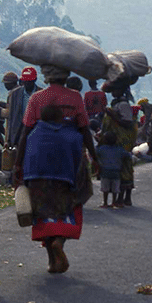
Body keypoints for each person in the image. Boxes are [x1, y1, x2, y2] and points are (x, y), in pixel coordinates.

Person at [15, 102, 92, 273]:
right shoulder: (71, 135)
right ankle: (60, 241)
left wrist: (22, 178)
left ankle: (51, 261)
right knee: (66, 214)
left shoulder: (33, 134)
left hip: (36, 182)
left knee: (43, 219)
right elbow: (79, 161)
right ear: (59, 118)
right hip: (62, 182)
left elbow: (27, 157)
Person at [4, 67, 41, 172]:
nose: (27, 84)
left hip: (36, 129)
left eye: (29, 81)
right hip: (20, 130)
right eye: (26, 81)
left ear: (34, 80)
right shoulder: (15, 94)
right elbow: (11, 117)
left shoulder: (41, 93)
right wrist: (9, 139)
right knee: (20, 156)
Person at [96, 131, 131, 208]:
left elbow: (95, 152)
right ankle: (114, 202)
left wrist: (98, 142)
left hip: (105, 171)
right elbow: (128, 155)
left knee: (105, 188)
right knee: (115, 189)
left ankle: (105, 202)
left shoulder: (101, 149)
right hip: (116, 172)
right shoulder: (119, 149)